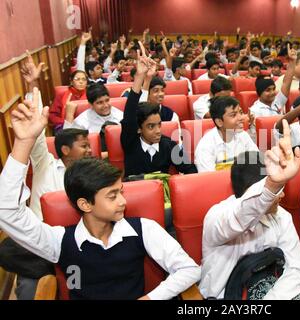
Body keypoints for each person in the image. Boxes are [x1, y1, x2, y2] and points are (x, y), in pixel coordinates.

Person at [0, 94, 201, 300]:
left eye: (121, 192)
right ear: (85, 204)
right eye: (112, 196)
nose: (123, 201)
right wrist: (23, 143)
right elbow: (6, 212)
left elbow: (189, 269)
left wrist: (151, 298)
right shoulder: (60, 241)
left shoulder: (142, 229)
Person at [200, 120, 300, 300]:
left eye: (281, 189)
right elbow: (241, 217)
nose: (281, 196)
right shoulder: (218, 216)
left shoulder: (281, 216)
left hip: (276, 291)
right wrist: (271, 186)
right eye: (276, 191)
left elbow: (296, 268)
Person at [121, 52, 197, 177]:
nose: (158, 131)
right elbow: (130, 115)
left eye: (159, 125)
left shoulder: (168, 145)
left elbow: (190, 170)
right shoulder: (130, 143)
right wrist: (140, 77)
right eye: (151, 126)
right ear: (139, 129)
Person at [195, 96, 258, 172]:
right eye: (233, 115)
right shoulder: (206, 146)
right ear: (219, 122)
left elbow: (257, 164)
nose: (241, 118)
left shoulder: (243, 135)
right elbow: (209, 180)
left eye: (241, 112)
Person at [249, 44, 297, 118]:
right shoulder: (254, 111)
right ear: (260, 93)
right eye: (268, 90)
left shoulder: (277, 102)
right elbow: (259, 130)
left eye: (273, 89)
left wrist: (292, 61)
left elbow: (286, 82)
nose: (272, 93)